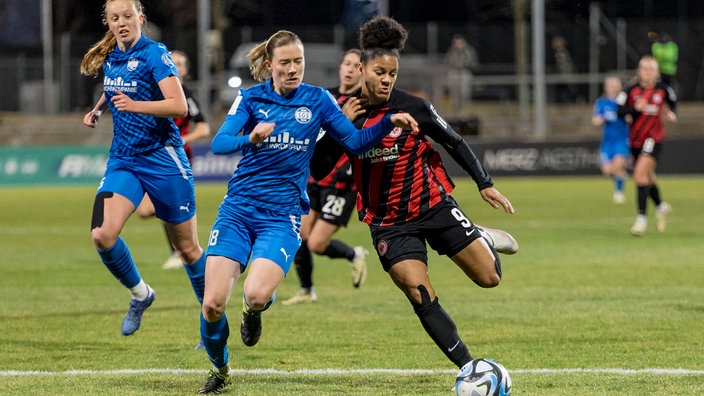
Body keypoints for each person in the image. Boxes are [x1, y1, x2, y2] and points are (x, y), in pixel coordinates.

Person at [196, 30, 419, 394]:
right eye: (285, 63)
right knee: (212, 304)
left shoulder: (318, 100)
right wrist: (249, 139)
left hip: (281, 218)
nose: (293, 68)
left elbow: (355, 143)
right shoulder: (251, 99)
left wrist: (386, 124)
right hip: (237, 211)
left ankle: (252, 314)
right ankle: (220, 371)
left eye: (298, 61)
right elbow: (220, 143)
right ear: (270, 66)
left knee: (254, 295)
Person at [315, 16, 518, 382]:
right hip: (389, 224)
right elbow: (319, 165)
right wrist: (335, 127)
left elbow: (453, 140)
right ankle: (471, 370)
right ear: (361, 68)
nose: (387, 79)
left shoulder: (415, 107)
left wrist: (483, 183)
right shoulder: (340, 111)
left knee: (490, 279)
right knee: (418, 292)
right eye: (379, 71)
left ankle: (480, 235)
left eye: (392, 73)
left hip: (434, 206)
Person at [80, 0, 207, 338]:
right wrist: (97, 109)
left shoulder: (155, 53)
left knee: (188, 249)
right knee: (102, 234)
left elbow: (178, 105)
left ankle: (211, 319)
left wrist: (136, 106)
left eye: (127, 16)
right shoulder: (112, 57)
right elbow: (116, 89)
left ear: (141, 18)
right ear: (108, 22)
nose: (122, 23)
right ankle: (141, 294)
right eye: (114, 18)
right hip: (123, 159)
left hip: (162, 157)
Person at [282, 48, 369, 306]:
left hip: (342, 183)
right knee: (299, 235)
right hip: (315, 179)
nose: (350, 69)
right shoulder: (325, 97)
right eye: (347, 63)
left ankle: (354, 254)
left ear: (363, 72)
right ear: (340, 67)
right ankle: (307, 290)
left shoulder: (363, 103)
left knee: (317, 244)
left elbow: (361, 140)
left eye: (356, 65)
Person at [135, 50, 211, 271]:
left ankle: (181, 251)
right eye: (171, 62)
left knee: (156, 207)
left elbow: (204, 128)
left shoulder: (186, 95)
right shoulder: (155, 91)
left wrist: (179, 140)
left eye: (180, 63)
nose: (175, 66)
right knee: (146, 210)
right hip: (153, 156)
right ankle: (182, 246)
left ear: (186, 70)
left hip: (177, 159)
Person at [617, 56, 677, 236]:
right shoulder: (630, 90)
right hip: (635, 140)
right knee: (648, 177)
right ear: (639, 71)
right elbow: (619, 111)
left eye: (651, 69)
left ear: (656, 72)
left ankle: (641, 219)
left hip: (654, 138)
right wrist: (635, 108)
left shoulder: (663, 90)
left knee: (639, 175)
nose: (648, 72)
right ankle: (660, 206)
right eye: (645, 69)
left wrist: (671, 114)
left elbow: (673, 103)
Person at [592, 75, 630, 204]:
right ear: (606, 88)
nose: (613, 88)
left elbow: (631, 117)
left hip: (621, 139)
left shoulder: (624, 102)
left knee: (617, 165)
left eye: (615, 85)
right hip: (607, 141)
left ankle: (619, 192)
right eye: (611, 85)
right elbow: (595, 120)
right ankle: (621, 176)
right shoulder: (601, 102)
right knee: (607, 170)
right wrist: (600, 119)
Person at [445, 34, 478, 116]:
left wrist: (463, 62)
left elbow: (472, 62)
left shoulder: (468, 50)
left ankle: (465, 112)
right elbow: (448, 61)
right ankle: (455, 112)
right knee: (454, 94)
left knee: (464, 93)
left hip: (464, 73)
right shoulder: (451, 51)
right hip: (454, 73)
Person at [551, 35, 577, 104]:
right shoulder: (560, 53)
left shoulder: (562, 53)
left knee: (565, 91)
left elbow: (563, 65)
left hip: (564, 75)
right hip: (562, 74)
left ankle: (567, 103)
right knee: (562, 91)